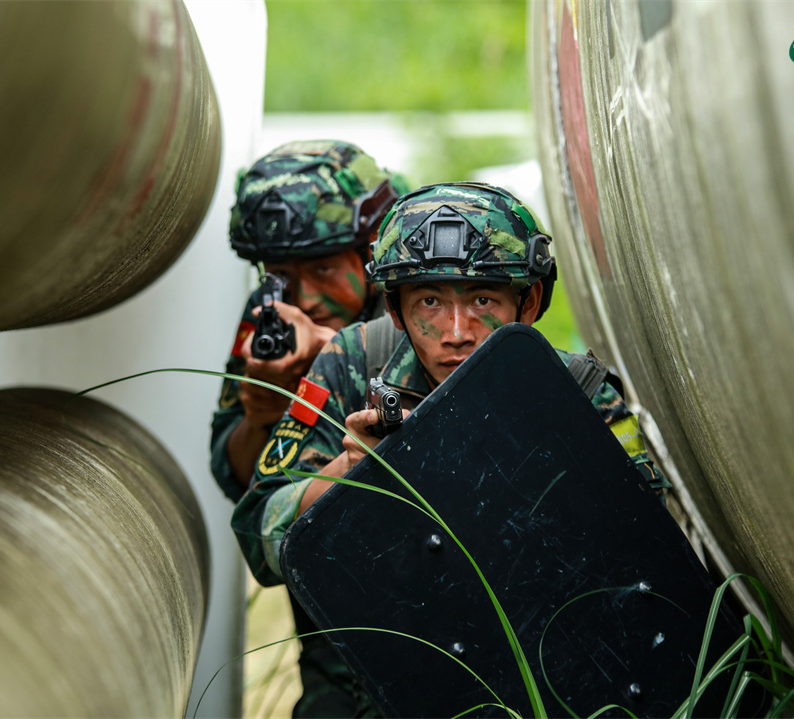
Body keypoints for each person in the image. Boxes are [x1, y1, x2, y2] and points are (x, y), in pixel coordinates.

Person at [232, 180, 669, 611]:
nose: (456, 333)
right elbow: (258, 536)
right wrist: (347, 474)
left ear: (529, 302)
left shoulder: (580, 391)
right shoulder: (355, 361)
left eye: (482, 299)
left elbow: (650, 544)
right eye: (428, 302)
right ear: (396, 310)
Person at [210, 140, 408, 718]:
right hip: (336, 652)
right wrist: (260, 411)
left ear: (370, 254)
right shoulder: (269, 321)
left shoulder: (422, 306)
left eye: (323, 269)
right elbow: (246, 486)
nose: (305, 298)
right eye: (281, 275)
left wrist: (344, 358)